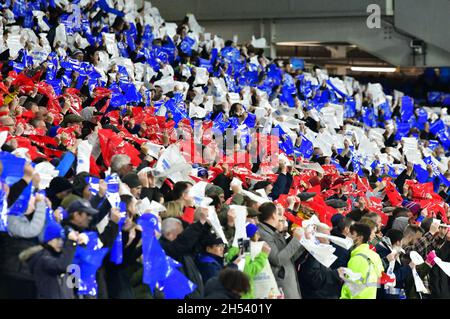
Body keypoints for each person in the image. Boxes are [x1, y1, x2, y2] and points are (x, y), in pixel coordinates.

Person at [20, 222, 83, 299]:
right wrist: (71, 242)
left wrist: (79, 243)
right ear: (49, 240)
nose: (61, 242)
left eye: (62, 240)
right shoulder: (43, 258)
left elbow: (72, 287)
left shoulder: (61, 256)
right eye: (57, 239)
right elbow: (61, 266)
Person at [257, 202, 305, 299]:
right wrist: (295, 240)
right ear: (274, 216)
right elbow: (278, 260)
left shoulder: (273, 231)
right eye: (279, 214)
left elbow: (289, 257)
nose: (282, 218)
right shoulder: (263, 234)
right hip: (279, 286)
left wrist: (303, 242)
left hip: (289, 283)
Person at [341, 223, 383, 299]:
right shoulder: (375, 255)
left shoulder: (358, 258)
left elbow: (351, 287)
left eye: (352, 234)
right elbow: (379, 276)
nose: (348, 236)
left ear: (360, 238)